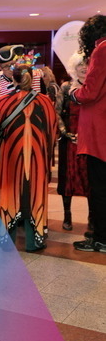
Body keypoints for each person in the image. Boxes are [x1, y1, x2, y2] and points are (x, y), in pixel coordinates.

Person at [0, 64, 57, 252]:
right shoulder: (45, 102)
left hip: (9, 159)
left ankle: (7, 241)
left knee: (9, 194)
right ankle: (33, 241)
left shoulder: (3, 102)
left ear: (13, 79)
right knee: (34, 194)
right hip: (37, 158)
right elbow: (52, 132)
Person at [70, 15, 106, 253]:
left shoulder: (102, 49)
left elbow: (90, 92)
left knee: (99, 188)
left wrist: (74, 93)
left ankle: (101, 238)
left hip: (99, 130)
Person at [55, 52, 91, 232]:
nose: (83, 67)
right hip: (70, 140)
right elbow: (56, 112)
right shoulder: (66, 87)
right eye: (79, 64)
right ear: (73, 68)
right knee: (67, 180)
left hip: (90, 140)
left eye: (86, 64)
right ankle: (67, 216)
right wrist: (65, 132)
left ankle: (92, 217)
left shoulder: (94, 87)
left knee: (91, 179)